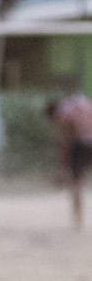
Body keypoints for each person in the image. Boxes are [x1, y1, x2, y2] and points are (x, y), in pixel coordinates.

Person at [46, 93, 92, 227]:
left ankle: (78, 219)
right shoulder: (80, 103)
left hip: (81, 145)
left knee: (77, 182)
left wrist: (63, 165)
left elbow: (67, 141)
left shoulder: (63, 114)